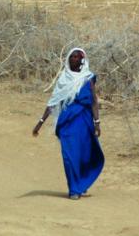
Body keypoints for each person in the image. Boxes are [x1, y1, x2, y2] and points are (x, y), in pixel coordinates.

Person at [32, 47, 105, 200]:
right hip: (67, 122)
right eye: (72, 57)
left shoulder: (88, 78)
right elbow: (53, 102)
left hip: (84, 121)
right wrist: (40, 122)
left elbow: (93, 101)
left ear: (82, 60)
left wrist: (97, 122)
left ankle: (81, 183)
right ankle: (74, 189)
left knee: (84, 155)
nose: (74, 59)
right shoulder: (63, 79)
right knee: (69, 155)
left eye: (77, 57)